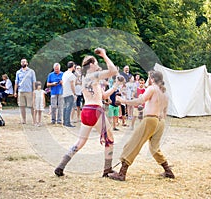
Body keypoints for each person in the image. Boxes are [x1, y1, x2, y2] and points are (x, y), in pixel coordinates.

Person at [54, 48, 121, 177]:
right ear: (91, 65)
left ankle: (61, 166)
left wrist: (115, 86)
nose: (98, 65)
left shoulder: (86, 78)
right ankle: (107, 170)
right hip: (95, 111)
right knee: (110, 139)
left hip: (86, 111)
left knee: (80, 142)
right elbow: (113, 71)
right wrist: (104, 55)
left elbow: (103, 96)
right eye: (96, 62)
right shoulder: (93, 76)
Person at [109, 71, 175, 181]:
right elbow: (164, 111)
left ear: (152, 79)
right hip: (160, 122)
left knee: (132, 144)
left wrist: (123, 100)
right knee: (154, 148)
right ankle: (168, 170)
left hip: (150, 120)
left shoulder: (152, 88)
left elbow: (140, 100)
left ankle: (122, 173)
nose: (148, 79)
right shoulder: (164, 93)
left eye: (149, 77)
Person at [14, 58, 36, 124]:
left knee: (32, 106)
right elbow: (16, 82)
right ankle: (23, 120)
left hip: (29, 91)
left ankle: (34, 121)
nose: (23, 63)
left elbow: (33, 82)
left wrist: (34, 91)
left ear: (27, 63)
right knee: (21, 106)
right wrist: (15, 91)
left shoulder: (31, 71)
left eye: (24, 62)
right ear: (21, 63)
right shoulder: (18, 72)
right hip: (21, 91)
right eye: (22, 62)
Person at [62, 61, 77, 127]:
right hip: (69, 93)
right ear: (73, 66)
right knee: (69, 108)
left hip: (65, 92)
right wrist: (74, 93)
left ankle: (64, 121)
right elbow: (72, 85)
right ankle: (67, 122)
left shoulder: (64, 73)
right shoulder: (71, 75)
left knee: (65, 107)